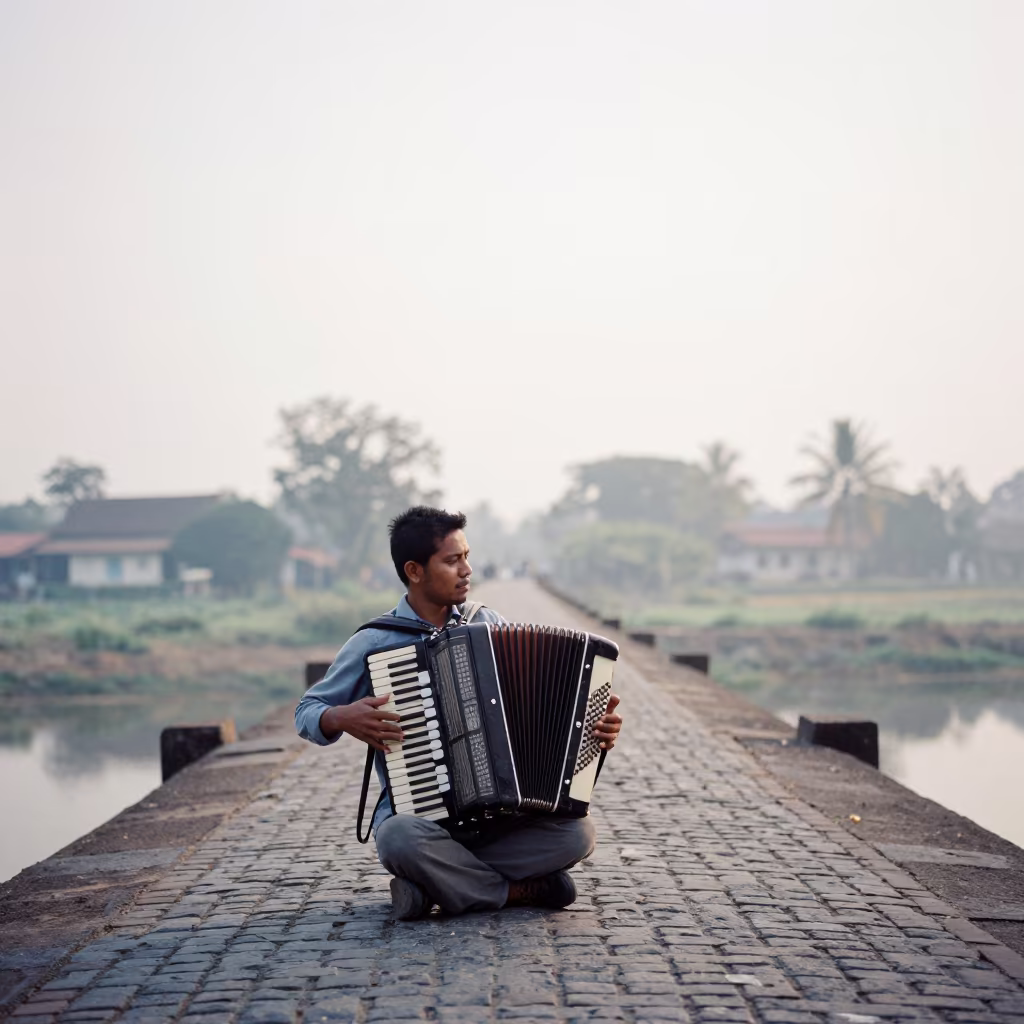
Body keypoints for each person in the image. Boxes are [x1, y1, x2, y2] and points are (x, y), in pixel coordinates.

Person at [295, 505, 623, 919]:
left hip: (504, 824)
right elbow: (308, 710)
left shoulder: (487, 623)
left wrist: (595, 730)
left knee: (579, 833)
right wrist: (340, 717)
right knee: (397, 838)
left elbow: (539, 716)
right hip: (427, 826)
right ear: (414, 571)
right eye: (452, 560)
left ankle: (439, 887)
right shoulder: (375, 643)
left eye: (467, 556)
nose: (467, 569)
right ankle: (516, 892)